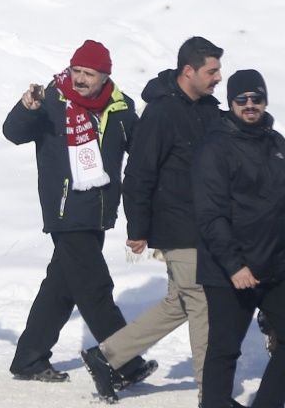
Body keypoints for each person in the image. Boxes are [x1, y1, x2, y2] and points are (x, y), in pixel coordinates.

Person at [83, 37, 224, 400]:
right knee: (202, 303)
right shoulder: (161, 113)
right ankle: (212, 394)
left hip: (206, 225)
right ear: (188, 71)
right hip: (178, 226)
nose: (218, 77)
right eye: (212, 71)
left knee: (179, 303)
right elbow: (138, 174)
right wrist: (138, 228)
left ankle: (106, 357)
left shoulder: (209, 110)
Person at [2, 41, 149, 385]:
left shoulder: (121, 108)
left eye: (89, 74)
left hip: (99, 211)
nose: (80, 79)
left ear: (105, 76)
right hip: (66, 210)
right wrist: (27, 108)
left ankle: (29, 358)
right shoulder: (51, 100)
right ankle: (125, 361)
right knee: (96, 287)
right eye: (76, 71)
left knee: (62, 286)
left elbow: (143, 151)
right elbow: (13, 133)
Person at [192, 70, 285, 408]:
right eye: (241, 99)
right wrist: (234, 265)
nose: (249, 105)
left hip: (274, 266)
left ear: (265, 101)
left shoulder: (276, 143)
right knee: (224, 349)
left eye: (256, 98)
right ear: (231, 103)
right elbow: (210, 215)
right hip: (229, 271)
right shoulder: (215, 147)